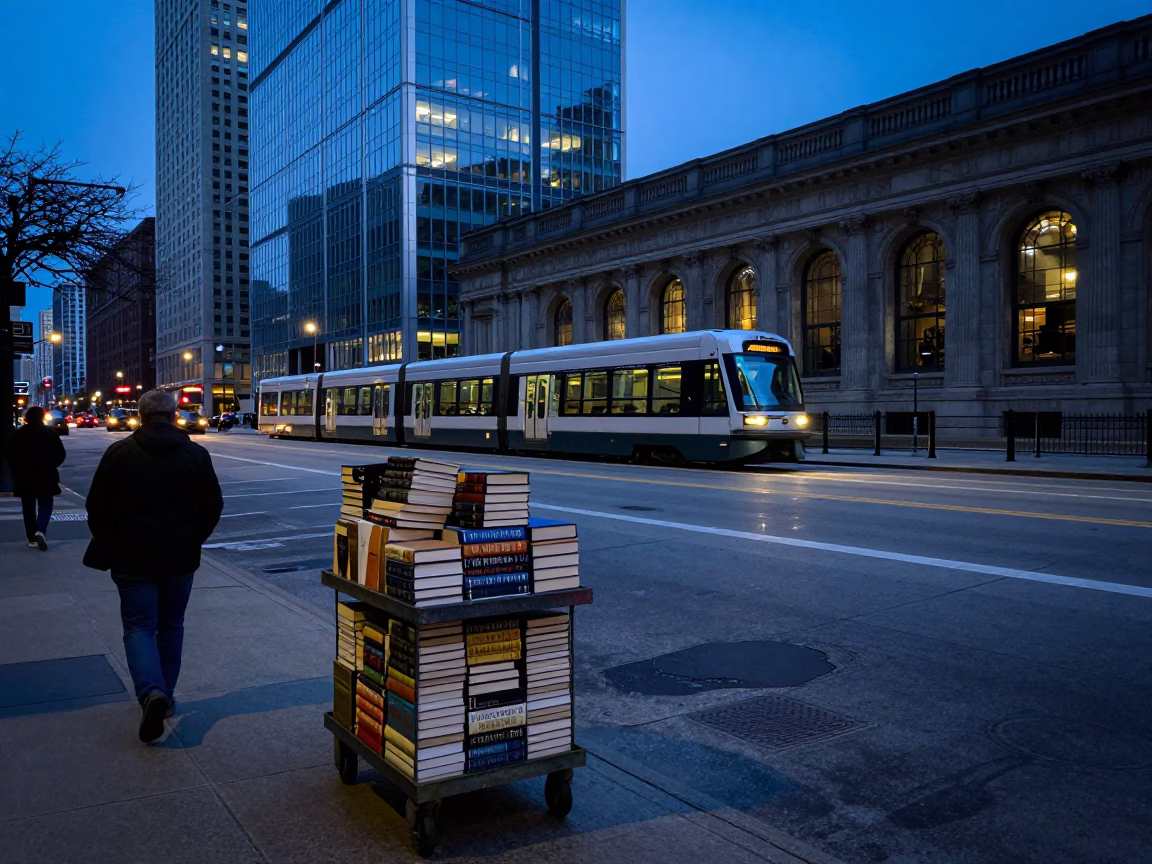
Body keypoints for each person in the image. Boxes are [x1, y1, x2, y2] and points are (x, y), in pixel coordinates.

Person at [84, 389, 223, 743]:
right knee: (171, 626)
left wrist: (112, 540)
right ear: (175, 414)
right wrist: (194, 538)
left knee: (139, 627)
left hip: (131, 556)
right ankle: (166, 696)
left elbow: (96, 507)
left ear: (142, 416)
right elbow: (213, 505)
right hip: (180, 556)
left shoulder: (119, 453)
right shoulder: (195, 453)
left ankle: (151, 693)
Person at [5, 405, 66, 551]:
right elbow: (60, 454)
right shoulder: (50, 433)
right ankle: (41, 530)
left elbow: (10, 456)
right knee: (46, 504)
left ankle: (31, 537)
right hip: (46, 474)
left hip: (24, 476)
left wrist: (16, 471)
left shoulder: (18, 434)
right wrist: (51, 465)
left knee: (28, 507)